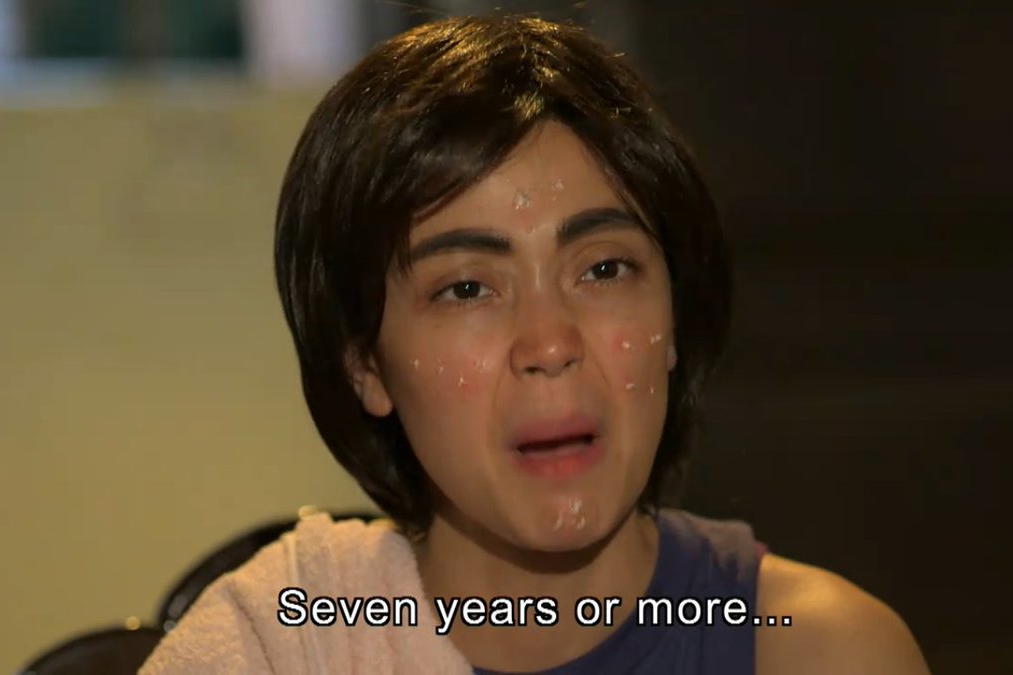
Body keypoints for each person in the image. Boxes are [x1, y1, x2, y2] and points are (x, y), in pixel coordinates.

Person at [141, 14, 930, 674]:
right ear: (366, 365)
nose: (550, 343)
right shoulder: (288, 647)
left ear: (674, 320)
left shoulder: (822, 652)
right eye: (466, 288)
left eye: (604, 269)